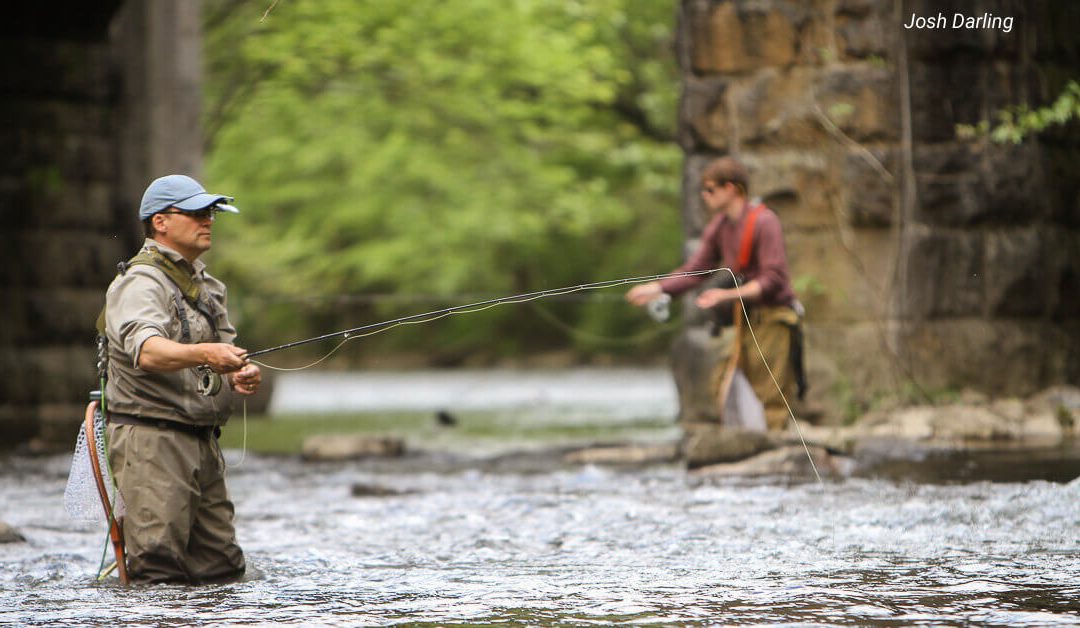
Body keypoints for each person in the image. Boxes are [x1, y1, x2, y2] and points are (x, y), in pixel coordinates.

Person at [102, 174, 261, 584]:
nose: (207, 220)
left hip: (201, 440)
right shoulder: (139, 283)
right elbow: (147, 350)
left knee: (221, 567)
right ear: (160, 222)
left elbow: (228, 350)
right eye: (194, 212)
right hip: (152, 440)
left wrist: (241, 372)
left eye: (209, 212)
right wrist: (209, 354)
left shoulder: (209, 286)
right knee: (158, 570)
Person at [626, 156, 802, 431]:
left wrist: (726, 296)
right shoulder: (720, 227)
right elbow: (696, 270)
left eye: (710, 190)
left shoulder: (765, 222)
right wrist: (657, 288)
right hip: (741, 319)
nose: (704, 196)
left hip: (773, 317)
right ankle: (742, 441)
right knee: (723, 381)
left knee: (770, 392)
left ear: (731, 188)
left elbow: (773, 279)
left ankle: (772, 446)